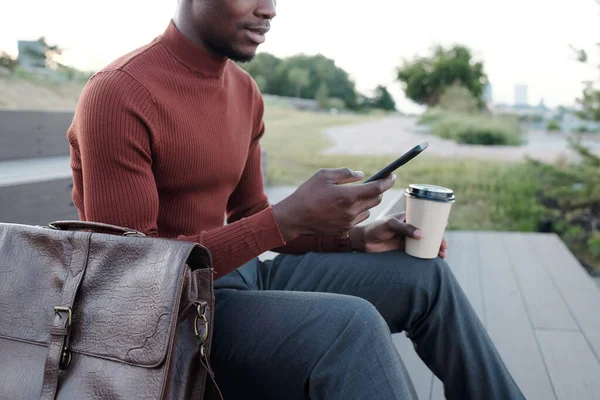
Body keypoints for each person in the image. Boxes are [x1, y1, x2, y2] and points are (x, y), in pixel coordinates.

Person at [67, 0, 525, 399]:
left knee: (424, 277)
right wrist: (286, 219)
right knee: (350, 326)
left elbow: (250, 215)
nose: (269, 9)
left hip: (242, 280)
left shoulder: (244, 92)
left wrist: (355, 238)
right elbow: (131, 275)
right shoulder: (119, 93)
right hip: (172, 321)